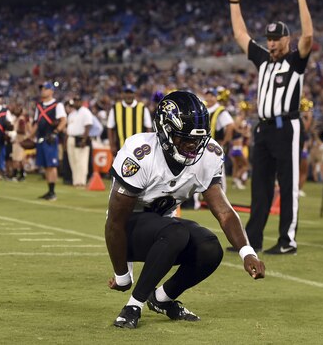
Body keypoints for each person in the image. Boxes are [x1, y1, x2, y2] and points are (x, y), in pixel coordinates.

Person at [105, 91, 265, 329]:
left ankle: (161, 298)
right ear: (165, 131)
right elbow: (116, 222)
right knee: (175, 231)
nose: (192, 145)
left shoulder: (209, 154)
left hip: (164, 232)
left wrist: (247, 252)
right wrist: (122, 274)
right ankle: (133, 306)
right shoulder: (141, 153)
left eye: (197, 139)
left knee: (210, 247)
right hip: (128, 232)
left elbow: (224, 211)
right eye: (184, 138)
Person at [228, 0, 313, 254]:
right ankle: (252, 240)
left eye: (277, 39)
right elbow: (240, 34)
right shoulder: (263, 59)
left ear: (288, 39)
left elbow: (309, 36)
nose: (273, 44)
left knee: (287, 185)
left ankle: (287, 240)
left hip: (286, 126)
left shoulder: (294, 61)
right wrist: (234, 2)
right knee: (259, 186)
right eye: (270, 39)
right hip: (263, 127)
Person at [29, 82, 67, 201]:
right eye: (42, 89)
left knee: (51, 165)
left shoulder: (57, 105)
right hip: (40, 138)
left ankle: (53, 192)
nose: (43, 91)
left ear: (51, 91)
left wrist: (55, 132)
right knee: (45, 166)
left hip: (50, 138)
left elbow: (63, 120)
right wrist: (29, 136)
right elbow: (37, 122)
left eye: (45, 89)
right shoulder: (39, 105)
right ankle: (49, 190)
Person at [107, 84, 152, 157]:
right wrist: (112, 145)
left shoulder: (142, 108)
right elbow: (110, 128)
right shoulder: (115, 108)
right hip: (120, 148)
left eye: (130, 93)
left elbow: (148, 129)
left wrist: (147, 145)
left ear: (134, 94)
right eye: (126, 93)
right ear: (122, 94)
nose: (128, 95)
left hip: (139, 149)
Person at [65, 97, 94, 187]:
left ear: (81, 102)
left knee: (81, 161)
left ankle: (81, 181)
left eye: (78, 101)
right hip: (71, 137)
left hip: (81, 137)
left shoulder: (85, 111)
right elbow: (69, 128)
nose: (76, 102)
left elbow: (88, 126)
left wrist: (84, 140)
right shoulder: (72, 114)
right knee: (73, 160)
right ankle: (75, 181)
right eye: (75, 101)